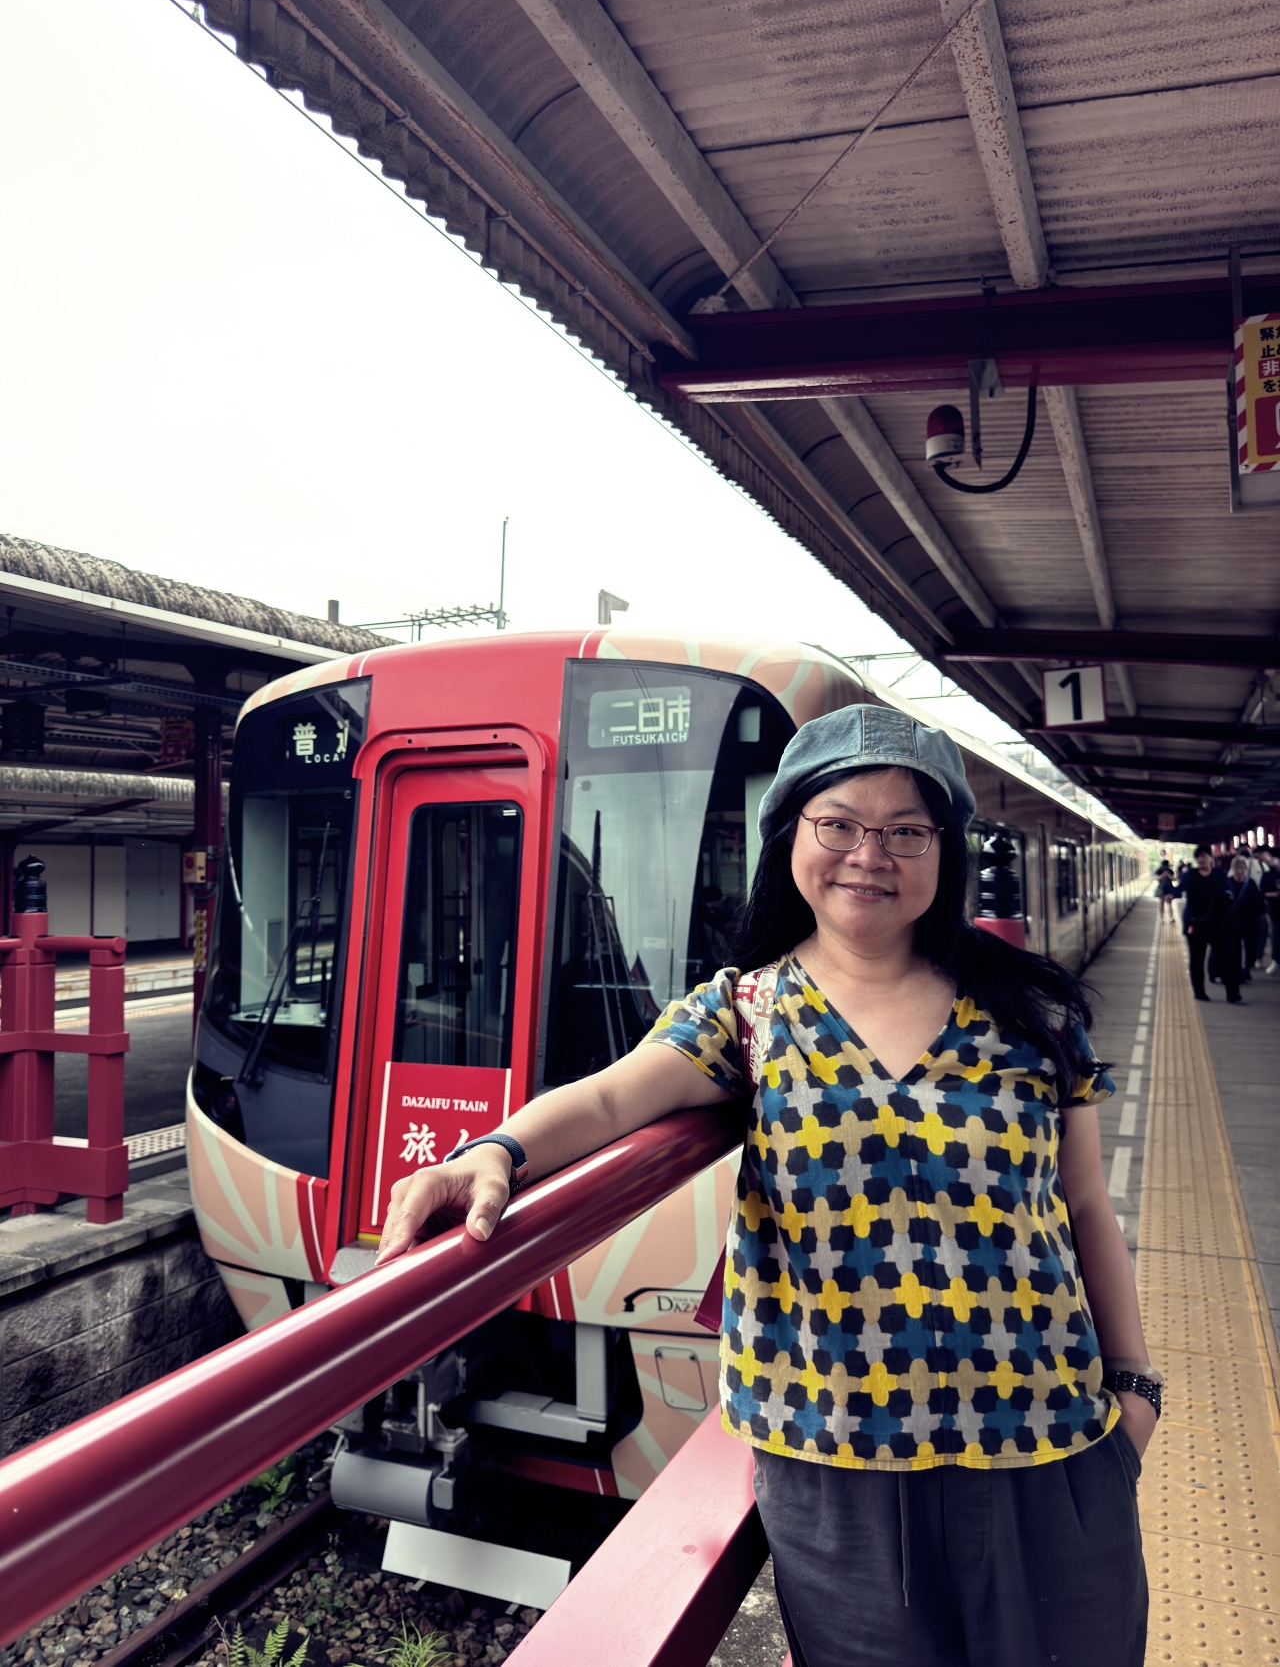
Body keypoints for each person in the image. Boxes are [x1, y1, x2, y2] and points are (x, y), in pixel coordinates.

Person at [378, 706, 1157, 1667]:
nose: (869, 853)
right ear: (792, 833)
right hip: (837, 1473)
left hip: (1050, 1443)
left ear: (943, 854)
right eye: (840, 823)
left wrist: (1134, 1390)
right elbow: (610, 1099)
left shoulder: (1030, 1011)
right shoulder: (745, 1014)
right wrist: (493, 1152)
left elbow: (1085, 1208)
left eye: (906, 831)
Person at [1174, 846, 1232, 1001]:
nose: (1201, 859)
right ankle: (1199, 992)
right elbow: (1179, 889)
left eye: (1204, 856)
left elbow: (1229, 892)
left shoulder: (1219, 875)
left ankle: (1232, 992)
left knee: (1225, 957)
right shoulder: (1191, 875)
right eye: (1198, 857)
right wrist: (1170, 894)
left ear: (1211, 858)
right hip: (1196, 923)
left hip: (1216, 924)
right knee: (1197, 959)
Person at [1219, 855, 1264, 1000]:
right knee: (1235, 948)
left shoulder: (1250, 884)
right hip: (1232, 922)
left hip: (1249, 921)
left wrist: (1263, 914)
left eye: (1242, 868)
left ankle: (1247, 968)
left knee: (1250, 947)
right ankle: (1239, 972)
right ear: (1233, 869)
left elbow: (1258, 901)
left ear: (1246, 870)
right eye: (1237, 868)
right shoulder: (1227, 883)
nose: (1240, 871)